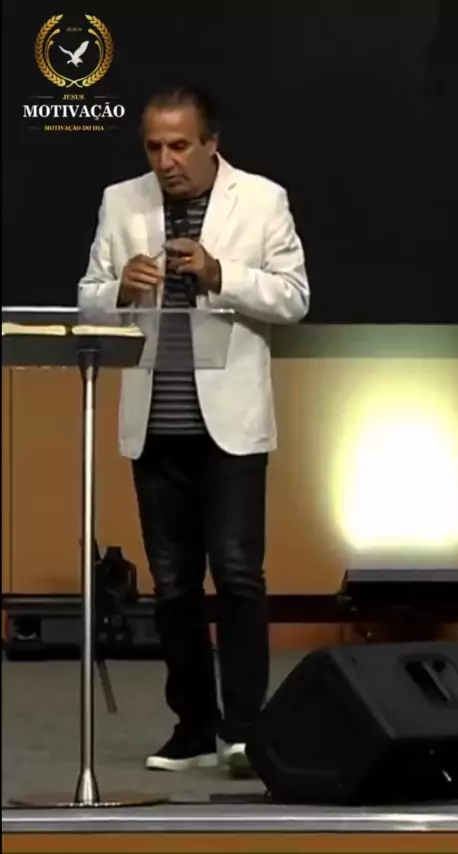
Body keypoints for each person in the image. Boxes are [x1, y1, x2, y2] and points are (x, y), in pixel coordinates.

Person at [78, 83, 310, 777]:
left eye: (180, 145)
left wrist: (220, 274)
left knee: (236, 576)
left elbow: (294, 297)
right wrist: (120, 289)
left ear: (211, 143)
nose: (166, 161)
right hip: (155, 424)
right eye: (154, 146)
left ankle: (244, 730)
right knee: (173, 585)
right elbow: (88, 298)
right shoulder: (122, 202)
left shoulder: (261, 199)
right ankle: (194, 727)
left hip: (230, 426)